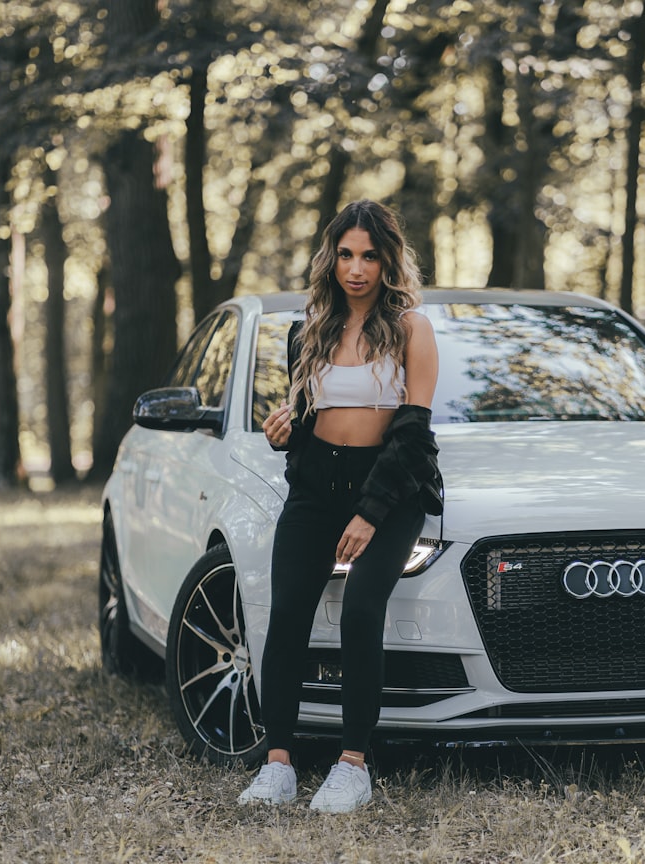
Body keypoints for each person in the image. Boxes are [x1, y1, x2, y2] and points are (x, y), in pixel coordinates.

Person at [238, 200, 442, 814]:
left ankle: (352, 764)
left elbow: (413, 434)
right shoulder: (310, 327)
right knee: (288, 615)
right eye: (347, 255)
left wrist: (371, 512)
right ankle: (278, 763)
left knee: (359, 612)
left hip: (388, 488)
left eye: (370, 256)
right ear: (333, 258)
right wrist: (286, 432)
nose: (357, 269)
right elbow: (306, 419)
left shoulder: (411, 327)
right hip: (316, 488)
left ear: (388, 261)